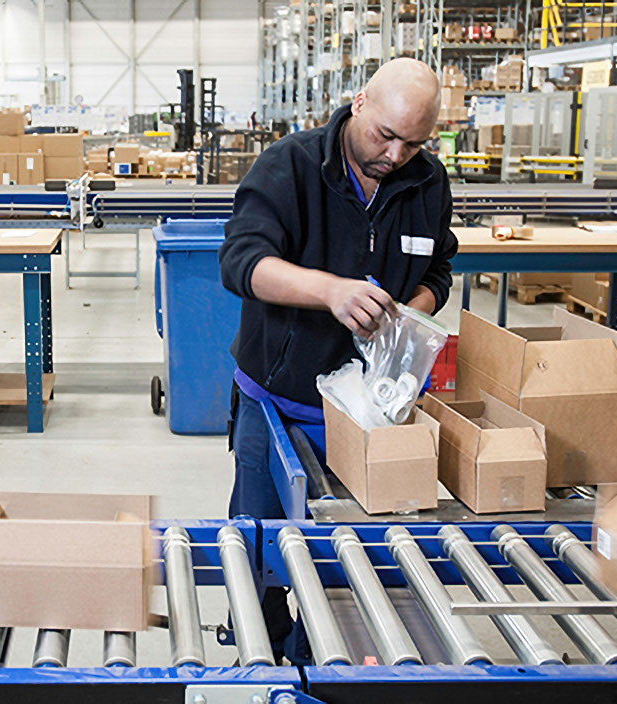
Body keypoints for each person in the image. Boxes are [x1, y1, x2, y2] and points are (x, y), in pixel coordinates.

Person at [217, 57, 458, 661]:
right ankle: (257, 648)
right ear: (358, 104)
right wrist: (330, 290)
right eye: (386, 135)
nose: (397, 155)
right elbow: (242, 262)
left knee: (344, 560)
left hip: (368, 411)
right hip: (277, 401)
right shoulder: (290, 167)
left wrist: (412, 311)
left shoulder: (427, 184)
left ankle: (310, 659)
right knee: (259, 545)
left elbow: (438, 269)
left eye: (414, 143)